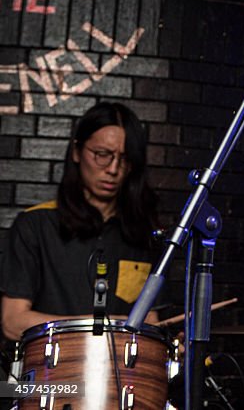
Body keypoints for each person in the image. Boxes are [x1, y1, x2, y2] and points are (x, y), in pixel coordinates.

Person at [0, 101, 161, 342]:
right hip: (49, 376)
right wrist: (94, 327)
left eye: (125, 159)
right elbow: (12, 322)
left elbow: (151, 322)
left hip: (118, 375)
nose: (113, 169)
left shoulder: (143, 232)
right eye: (102, 155)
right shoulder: (34, 224)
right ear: (76, 151)